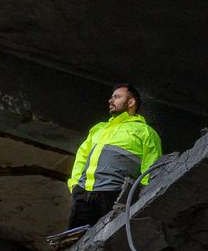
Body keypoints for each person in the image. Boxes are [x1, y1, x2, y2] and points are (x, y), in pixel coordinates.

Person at [66, 84, 162, 230]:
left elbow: (151, 167)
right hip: (83, 195)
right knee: (73, 242)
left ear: (131, 102)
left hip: (114, 195)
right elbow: (82, 157)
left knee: (106, 240)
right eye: (111, 97)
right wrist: (75, 185)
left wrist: (139, 197)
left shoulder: (145, 132)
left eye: (117, 97)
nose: (111, 100)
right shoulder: (99, 129)